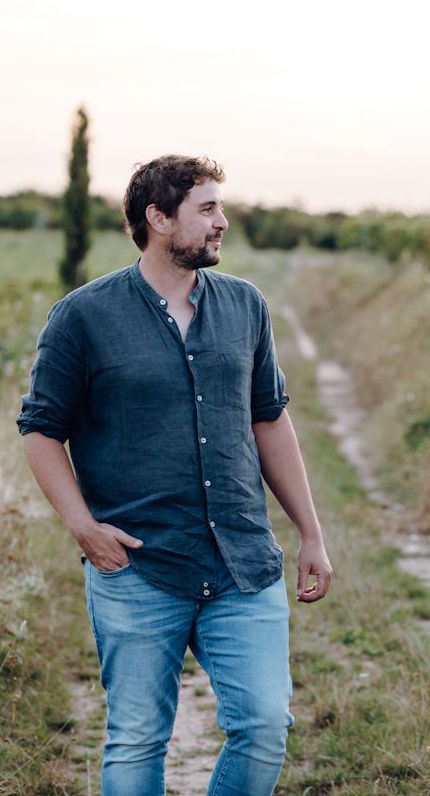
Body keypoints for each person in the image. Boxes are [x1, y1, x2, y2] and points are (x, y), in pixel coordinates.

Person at [17, 154, 332, 796]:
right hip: (138, 564)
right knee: (137, 738)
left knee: (264, 725)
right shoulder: (83, 316)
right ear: (158, 218)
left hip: (242, 561)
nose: (222, 222)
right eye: (207, 208)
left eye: (221, 207)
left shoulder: (245, 305)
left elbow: (269, 420)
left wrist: (310, 533)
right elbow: (41, 428)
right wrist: (84, 529)